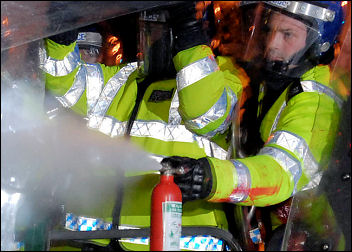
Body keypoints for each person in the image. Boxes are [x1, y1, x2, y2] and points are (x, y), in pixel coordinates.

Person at [40, 2, 243, 251]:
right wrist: (61, 35)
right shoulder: (122, 78)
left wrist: (188, 35)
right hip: (92, 242)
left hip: (174, 244)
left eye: (164, 29)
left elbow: (205, 112)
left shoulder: (224, 79)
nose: (153, 40)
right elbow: (65, 86)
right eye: (148, 29)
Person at [162, 1, 349, 250]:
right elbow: (206, 118)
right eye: (269, 30)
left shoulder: (317, 98)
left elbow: (280, 171)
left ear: (318, 43)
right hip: (276, 236)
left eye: (287, 34)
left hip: (313, 241)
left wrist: (209, 177)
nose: (272, 44)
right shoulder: (268, 81)